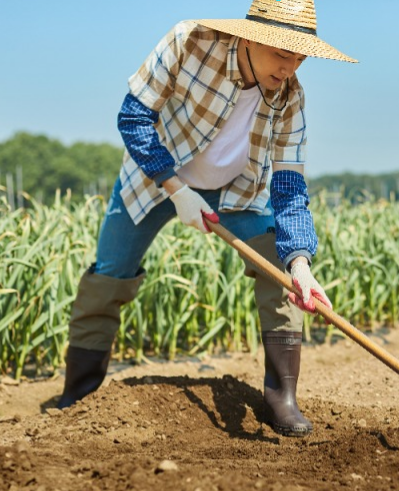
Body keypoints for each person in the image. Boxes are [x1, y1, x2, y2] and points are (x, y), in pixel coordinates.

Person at [57, 0, 357, 437]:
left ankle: (282, 400)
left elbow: (290, 189)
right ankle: (77, 397)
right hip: (155, 177)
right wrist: (177, 189)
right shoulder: (189, 41)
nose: (290, 69)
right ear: (252, 38)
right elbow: (134, 116)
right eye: (282, 54)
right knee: (109, 274)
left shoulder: (291, 98)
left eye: (299, 57)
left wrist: (301, 266)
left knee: (279, 275)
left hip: (238, 192)